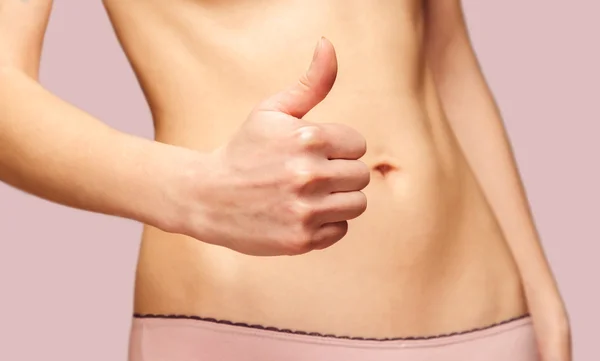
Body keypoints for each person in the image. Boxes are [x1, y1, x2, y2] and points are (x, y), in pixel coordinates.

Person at [0, 0, 571, 360]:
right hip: (253, 329)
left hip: (490, 321)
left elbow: (445, 55)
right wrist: (189, 190)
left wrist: (540, 294)